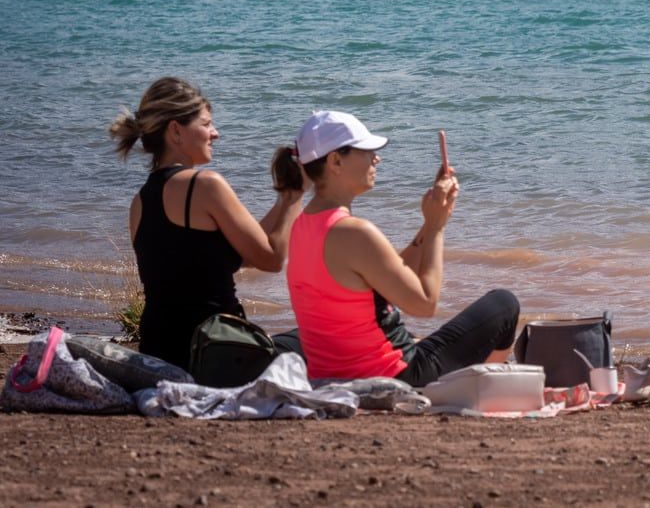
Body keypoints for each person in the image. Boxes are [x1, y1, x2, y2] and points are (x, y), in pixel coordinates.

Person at [272, 110, 519, 387]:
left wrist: (430, 221)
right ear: (336, 160)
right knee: (504, 304)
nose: (376, 158)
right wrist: (437, 228)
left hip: (331, 375)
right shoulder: (355, 232)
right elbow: (425, 303)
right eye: (366, 151)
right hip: (398, 374)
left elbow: (387, 277)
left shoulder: (303, 225)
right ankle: (483, 389)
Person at [108, 77, 304, 371]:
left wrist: (283, 197)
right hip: (217, 353)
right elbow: (272, 259)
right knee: (315, 338)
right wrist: (295, 198)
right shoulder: (206, 184)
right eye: (207, 124)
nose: (216, 133)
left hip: (160, 353)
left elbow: (224, 260)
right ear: (176, 131)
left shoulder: (140, 202)